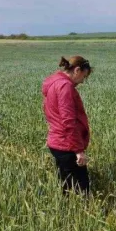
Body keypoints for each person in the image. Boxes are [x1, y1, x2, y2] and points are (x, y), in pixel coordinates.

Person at [42, 55, 93, 194]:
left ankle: (66, 210)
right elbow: (69, 122)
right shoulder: (65, 87)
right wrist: (78, 151)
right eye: (84, 76)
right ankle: (84, 213)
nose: (83, 81)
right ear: (77, 70)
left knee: (67, 185)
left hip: (57, 141)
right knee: (82, 189)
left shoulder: (54, 83)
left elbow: (47, 109)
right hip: (66, 145)